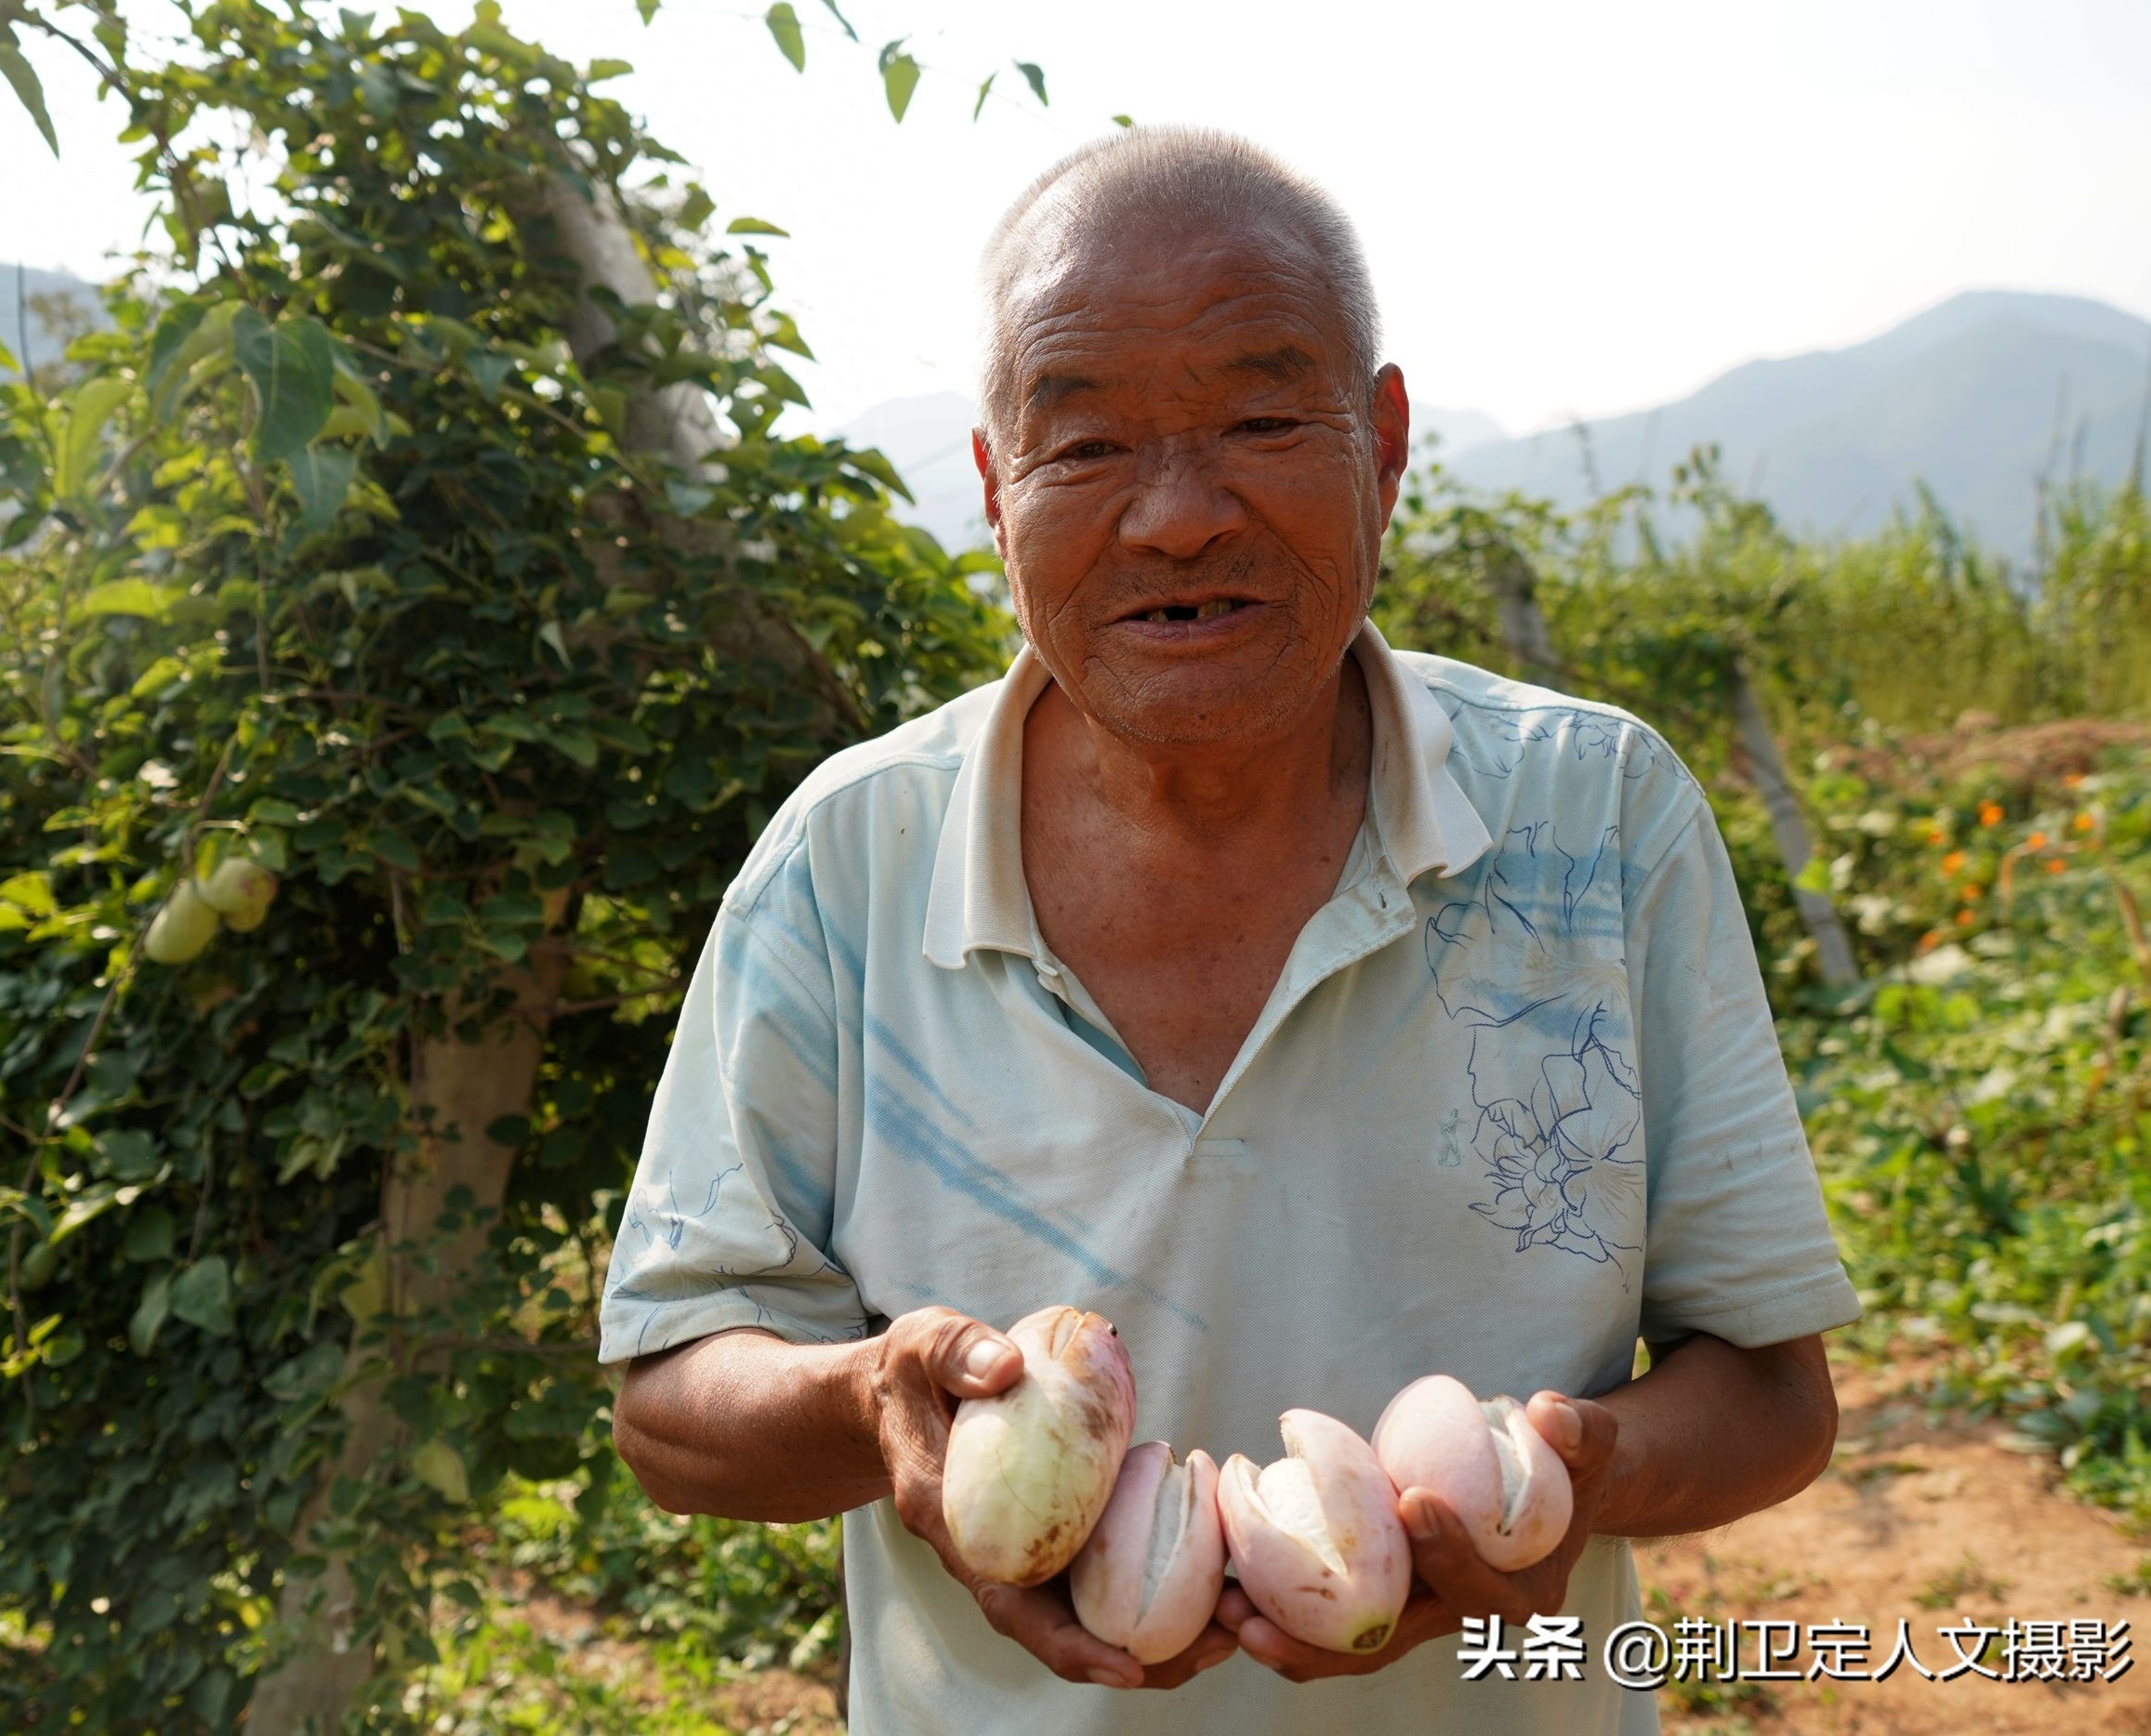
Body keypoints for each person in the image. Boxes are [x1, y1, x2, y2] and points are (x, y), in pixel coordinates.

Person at [599, 126, 1855, 1732]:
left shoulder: (1595, 822)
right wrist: (871, 1404)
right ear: (995, 489)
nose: (1178, 518)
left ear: (1384, 447)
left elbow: (1769, 1393)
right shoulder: (849, 865)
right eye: (1086, 447)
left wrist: (1580, 1478)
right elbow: (670, 1405)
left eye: (1263, 421)